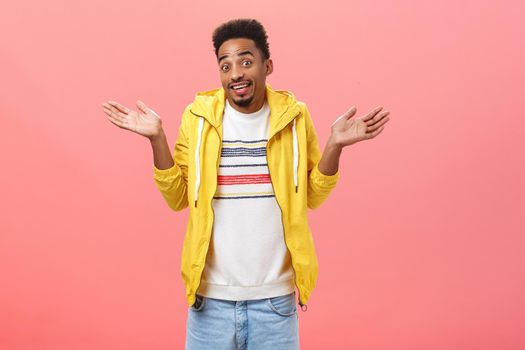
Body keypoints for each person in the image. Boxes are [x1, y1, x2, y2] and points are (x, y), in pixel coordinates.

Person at [102, 18, 389, 350]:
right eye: (225, 65)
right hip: (209, 304)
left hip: (275, 304)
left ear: (267, 66)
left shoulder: (294, 117)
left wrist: (334, 145)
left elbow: (311, 195)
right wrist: (157, 139)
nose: (235, 73)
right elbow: (178, 196)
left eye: (245, 61)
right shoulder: (197, 119)